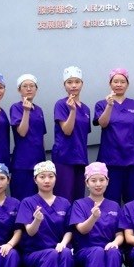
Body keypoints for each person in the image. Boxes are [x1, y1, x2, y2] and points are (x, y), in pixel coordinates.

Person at [17, 161, 75, 267]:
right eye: (42, 177)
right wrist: (36, 220)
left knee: (66, 253)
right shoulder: (28, 203)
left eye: (50, 176)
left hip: (56, 250)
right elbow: (29, 232)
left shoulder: (64, 203)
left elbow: (69, 230)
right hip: (33, 254)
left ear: (56, 178)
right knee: (51, 254)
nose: (47, 180)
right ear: (35, 180)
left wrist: (63, 243)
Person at [70, 162, 123, 267]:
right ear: (86, 183)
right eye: (93, 180)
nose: (98, 184)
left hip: (106, 250)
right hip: (85, 252)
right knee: (97, 252)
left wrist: (115, 243)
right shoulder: (79, 204)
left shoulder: (114, 205)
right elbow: (81, 229)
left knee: (114, 252)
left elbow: (120, 234)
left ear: (107, 181)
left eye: (101, 180)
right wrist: (93, 217)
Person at [94, 68, 134, 205]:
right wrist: (109, 106)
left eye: (122, 82)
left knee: (133, 199)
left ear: (127, 84)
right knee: (111, 200)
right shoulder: (101, 104)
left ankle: (130, 221)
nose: (119, 84)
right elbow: (103, 123)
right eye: (115, 81)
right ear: (110, 84)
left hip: (133, 159)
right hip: (110, 160)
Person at [53, 66, 91, 202]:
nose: (73, 85)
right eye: (69, 82)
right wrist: (73, 111)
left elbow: (83, 135)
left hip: (80, 158)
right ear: (64, 85)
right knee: (64, 198)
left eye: (77, 82)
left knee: (78, 198)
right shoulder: (61, 105)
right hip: (64, 157)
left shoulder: (86, 109)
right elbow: (67, 130)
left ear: (82, 84)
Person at [9, 73, 47, 200]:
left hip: (39, 162)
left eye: (32, 86)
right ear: (19, 90)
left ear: (36, 89)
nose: (29, 89)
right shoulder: (16, 108)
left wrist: (44, 161)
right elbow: (22, 132)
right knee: (23, 199)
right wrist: (26, 111)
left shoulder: (39, 110)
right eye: (25, 86)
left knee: (39, 200)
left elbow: (41, 136)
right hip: (22, 163)